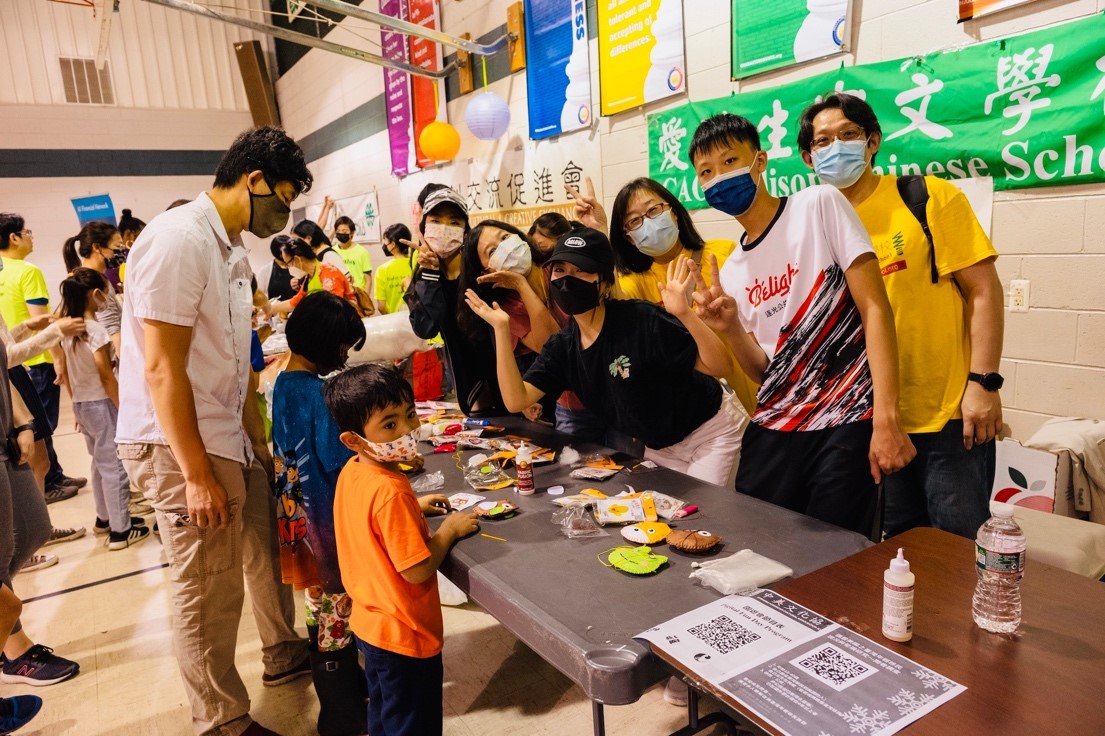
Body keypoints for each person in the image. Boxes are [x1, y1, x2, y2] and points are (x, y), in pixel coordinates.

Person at [116, 125, 313, 736]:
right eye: (281, 198)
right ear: (252, 180)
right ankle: (221, 719)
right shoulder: (178, 240)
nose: (284, 215)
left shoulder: (228, 249)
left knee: (264, 545)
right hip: (179, 445)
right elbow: (161, 366)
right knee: (207, 585)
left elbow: (235, 363)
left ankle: (283, 653)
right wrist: (196, 474)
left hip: (226, 436)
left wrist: (260, 445)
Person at [687, 112, 914, 536]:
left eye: (730, 162)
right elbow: (763, 371)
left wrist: (885, 418)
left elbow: (875, 310)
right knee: (763, 552)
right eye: (706, 171)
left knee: (834, 561)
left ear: (760, 160)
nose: (720, 177)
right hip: (774, 428)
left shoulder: (818, 204)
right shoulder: (733, 268)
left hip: (842, 422)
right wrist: (731, 328)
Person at [798, 93, 1004, 539]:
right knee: (894, 557)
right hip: (867, 423)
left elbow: (984, 290)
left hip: (947, 417)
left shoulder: (926, 196)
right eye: (823, 141)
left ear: (872, 141)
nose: (836, 147)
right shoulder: (811, 226)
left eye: (849, 135)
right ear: (807, 157)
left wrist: (984, 383)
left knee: (958, 555)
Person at [466, 227, 745, 486]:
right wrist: (501, 330)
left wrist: (685, 315)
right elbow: (517, 399)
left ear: (603, 283)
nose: (566, 280)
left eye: (580, 270)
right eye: (560, 270)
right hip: (659, 448)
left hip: (710, 434)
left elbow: (721, 365)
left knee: (706, 521)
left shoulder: (641, 320)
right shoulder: (564, 347)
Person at [325, 363, 479, 736]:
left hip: (371, 625)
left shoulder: (354, 471)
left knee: (387, 717)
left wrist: (415, 506)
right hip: (405, 636)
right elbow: (417, 569)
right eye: (389, 424)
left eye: (409, 415)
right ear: (355, 440)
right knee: (412, 726)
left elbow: (370, 521)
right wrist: (448, 530)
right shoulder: (390, 491)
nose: (408, 430)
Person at [272, 292, 367, 735]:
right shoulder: (318, 393)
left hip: (297, 524)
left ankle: (340, 700)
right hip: (328, 523)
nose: (345, 356)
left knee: (320, 605)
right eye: (344, 347)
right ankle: (343, 714)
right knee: (338, 611)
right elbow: (339, 459)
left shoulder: (284, 383)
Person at [57, 268, 149, 550]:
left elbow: (69, 374)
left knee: (98, 464)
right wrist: (122, 407)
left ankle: (104, 518)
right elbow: (105, 374)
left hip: (83, 404)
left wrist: (74, 404)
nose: (109, 296)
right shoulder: (96, 330)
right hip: (102, 404)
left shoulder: (69, 331)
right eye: (106, 291)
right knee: (115, 468)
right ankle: (120, 531)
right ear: (95, 295)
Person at [0, 214, 87, 503]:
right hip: (24, 367)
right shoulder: (27, 271)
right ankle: (39, 530)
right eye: (27, 231)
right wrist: (56, 344)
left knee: (39, 453)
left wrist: (25, 328)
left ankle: (43, 526)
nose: (31, 236)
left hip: (19, 366)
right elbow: (6, 356)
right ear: (14, 237)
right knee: (36, 455)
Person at [404, 187, 504, 416]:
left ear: (465, 229)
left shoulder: (482, 266)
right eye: (436, 220)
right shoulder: (426, 274)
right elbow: (425, 328)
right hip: (467, 386)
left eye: (454, 222)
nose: (444, 228)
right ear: (424, 226)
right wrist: (429, 274)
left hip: (506, 374)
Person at [61, 221, 125, 353]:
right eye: (117, 247)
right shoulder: (96, 282)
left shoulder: (77, 276)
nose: (121, 252)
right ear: (97, 247)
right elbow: (111, 328)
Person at [270, 238, 358, 316]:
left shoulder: (328, 272)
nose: (288, 268)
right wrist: (270, 308)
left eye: (287, 264)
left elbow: (333, 309)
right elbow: (295, 302)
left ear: (297, 259)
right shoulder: (309, 277)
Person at [374, 224, 414, 315]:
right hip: (417, 319)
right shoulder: (416, 264)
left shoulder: (382, 270)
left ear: (392, 244)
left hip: (394, 321)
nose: (385, 246)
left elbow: (381, 306)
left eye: (385, 242)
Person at [332, 216, 374, 293]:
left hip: (357, 295)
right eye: (338, 231)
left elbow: (368, 279)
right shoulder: (332, 251)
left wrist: (365, 299)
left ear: (352, 233)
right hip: (338, 295)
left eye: (344, 232)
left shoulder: (362, 252)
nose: (341, 233)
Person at [259, 234, 299, 301]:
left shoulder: (298, 266)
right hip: (275, 309)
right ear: (280, 254)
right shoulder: (265, 271)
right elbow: (259, 294)